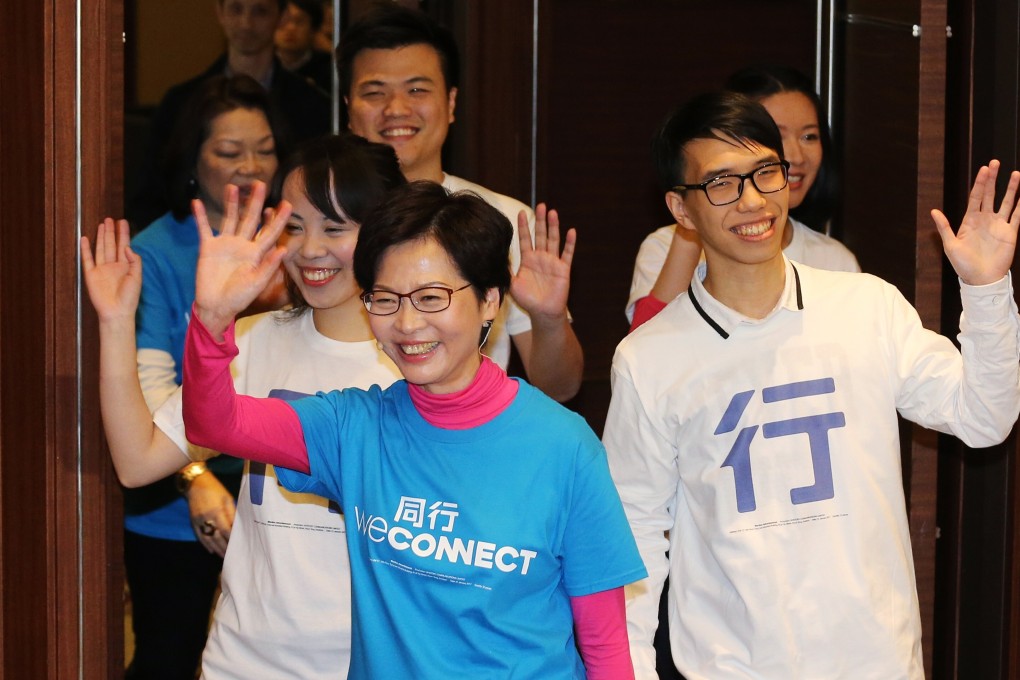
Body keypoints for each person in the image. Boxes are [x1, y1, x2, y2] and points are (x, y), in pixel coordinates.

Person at [603, 91, 1020, 678]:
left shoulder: (866, 304)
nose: (751, 201)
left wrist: (985, 291)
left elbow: (983, 418)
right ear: (681, 208)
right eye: (721, 184)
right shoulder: (648, 359)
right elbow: (634, 535)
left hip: (878, 663)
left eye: (764, 173)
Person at [178, 180, 647, 678]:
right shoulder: (352, 428)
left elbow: (604, 642)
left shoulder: (565, 447)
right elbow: (216, 423)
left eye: (430, 297)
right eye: (384, 298)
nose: (406, 323)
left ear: (490, 300)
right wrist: (212, 317)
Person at [82, 134, 407, 678]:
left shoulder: (417, 361)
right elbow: (137, 462)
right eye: (294, 226)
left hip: (371, 663)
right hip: (245, 662)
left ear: (384, 231)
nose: (310, 250)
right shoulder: (253, 341)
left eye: (335, 227)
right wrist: (117, 323)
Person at [121, 74, 284, 680]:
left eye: (264, 147)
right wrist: (194, 479)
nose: (250, 165)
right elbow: (150, 385)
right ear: (193, 161)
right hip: (176, 499)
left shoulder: (298, 239)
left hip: (281, 493)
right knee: (169, 656)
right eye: (229, 151)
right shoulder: (157, 252)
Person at [337, 3, 584, 402]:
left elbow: (560, 387)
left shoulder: (503, 219)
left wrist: (549, 318)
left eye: (417, 89)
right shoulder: (322, 224)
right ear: (348, 108)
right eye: (374, 92)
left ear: (451, 103)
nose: (396, 108)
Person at [626, 65, 859, 330]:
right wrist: (694, 217)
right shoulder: (662, 246)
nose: (795, 156)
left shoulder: (836, 260)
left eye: (809, 136)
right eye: (777, 135)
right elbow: (649, 348)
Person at [128, 0, 330, 230]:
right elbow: (149, 197)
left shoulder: (314, 104)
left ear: (281, 16)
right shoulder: (180, 101)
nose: (246, 23)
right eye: (236, 9)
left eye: (260, 11)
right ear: (219, 12)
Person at [275, 0, 333, 94]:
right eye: (284, 20)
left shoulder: (328, 69)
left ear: (313, 29)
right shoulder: (265, 67)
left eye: (299, 21)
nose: (291, 28)